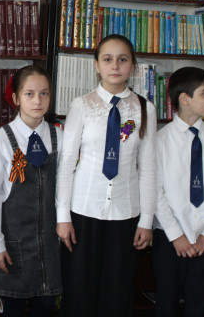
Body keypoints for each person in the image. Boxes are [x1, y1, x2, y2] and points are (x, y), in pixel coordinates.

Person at [56, 34, 157, 317]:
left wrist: (146, 220)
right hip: (83, 212)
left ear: (132, 66)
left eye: (122, 59)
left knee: (117, 292)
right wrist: (62, 217)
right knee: (79, 291)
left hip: (126, 214)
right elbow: (67, 163)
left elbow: (148, 167)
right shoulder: (81, 105)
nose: (115, 66)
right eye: (108, 59)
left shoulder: (144, 109)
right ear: (97, 65)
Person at [0, 65, 63, 317]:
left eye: (44, 93)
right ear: (16, 98)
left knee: (46, 305)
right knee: (14, 307)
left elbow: (64, 187)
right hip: (14, 242)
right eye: (29, 94)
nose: (37, 101)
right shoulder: (2, 138)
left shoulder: (59, 135)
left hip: (49, 243)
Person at [152, 67, 204, 317]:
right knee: (167, 303)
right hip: (169, 237)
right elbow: (155, 192)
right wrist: (177, 236)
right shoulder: (160, 140)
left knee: (199, 304)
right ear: (185, 99)